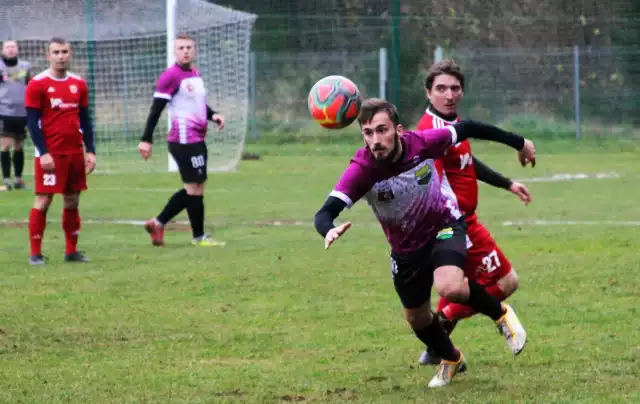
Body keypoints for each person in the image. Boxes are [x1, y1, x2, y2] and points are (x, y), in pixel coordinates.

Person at [313, 98, 534, 388]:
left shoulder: (423, 143)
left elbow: (468, 128)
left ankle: (501, 315)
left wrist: (520, 142)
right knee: (416, 317)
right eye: (368, 133)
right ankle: (452, 359)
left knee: (450, 286)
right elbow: (325, 212)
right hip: (406, 249)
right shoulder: (362, 169)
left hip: (444, 226)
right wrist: (328, 230)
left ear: (399, 130)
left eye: (382, 130)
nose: (376, 140)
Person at [415, 60, 532, 365]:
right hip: (458, 225)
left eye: (454, 88)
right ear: (428, 93)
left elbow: (467, 162)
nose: (449, 94)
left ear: (462, 92)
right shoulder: (431, 132)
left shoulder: (449, 126)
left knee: (458, 285)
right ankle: (442, 327)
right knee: (507, 282)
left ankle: (438, 341)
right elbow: (434, 185)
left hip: (462, 224)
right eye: (441, 89)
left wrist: (506, 183)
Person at [138, 33, 225, 247]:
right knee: (193, 189)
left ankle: (160, 224)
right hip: (183, 141)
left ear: (194, 50)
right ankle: (194, 235)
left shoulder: (195, 74)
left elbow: (197, 105)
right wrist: (146, 139)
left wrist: (212, 115)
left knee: (197, 188)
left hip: (197, 139)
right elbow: (156, 109)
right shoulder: (170, 76)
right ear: (174, 51)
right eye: (181, 48)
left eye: (189, 47)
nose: (185, 51)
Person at [25, 37, 96, 265]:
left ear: (71, 54)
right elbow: (32, 122)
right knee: (44, 199)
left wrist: (91, 151)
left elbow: (85, 119)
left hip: (74, 152)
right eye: (56, 52)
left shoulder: (79, 84)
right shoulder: (37, 84)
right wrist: (43, 152)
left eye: (65, 51)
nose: (61, 56)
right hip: (49, 153)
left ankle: (71, 251)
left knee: (72, 200)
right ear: (48, 56)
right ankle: (35, 253)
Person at [0, 40, 32, 190]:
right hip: (4, 111)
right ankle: (6, 180)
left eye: (13, 47)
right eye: (7, 47)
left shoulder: (25, 66)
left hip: (22, 111)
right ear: (2, 50)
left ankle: (18, 180)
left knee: (19, 146)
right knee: (5, 146)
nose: (10, 50)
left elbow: (31, 85)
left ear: (18, 49)